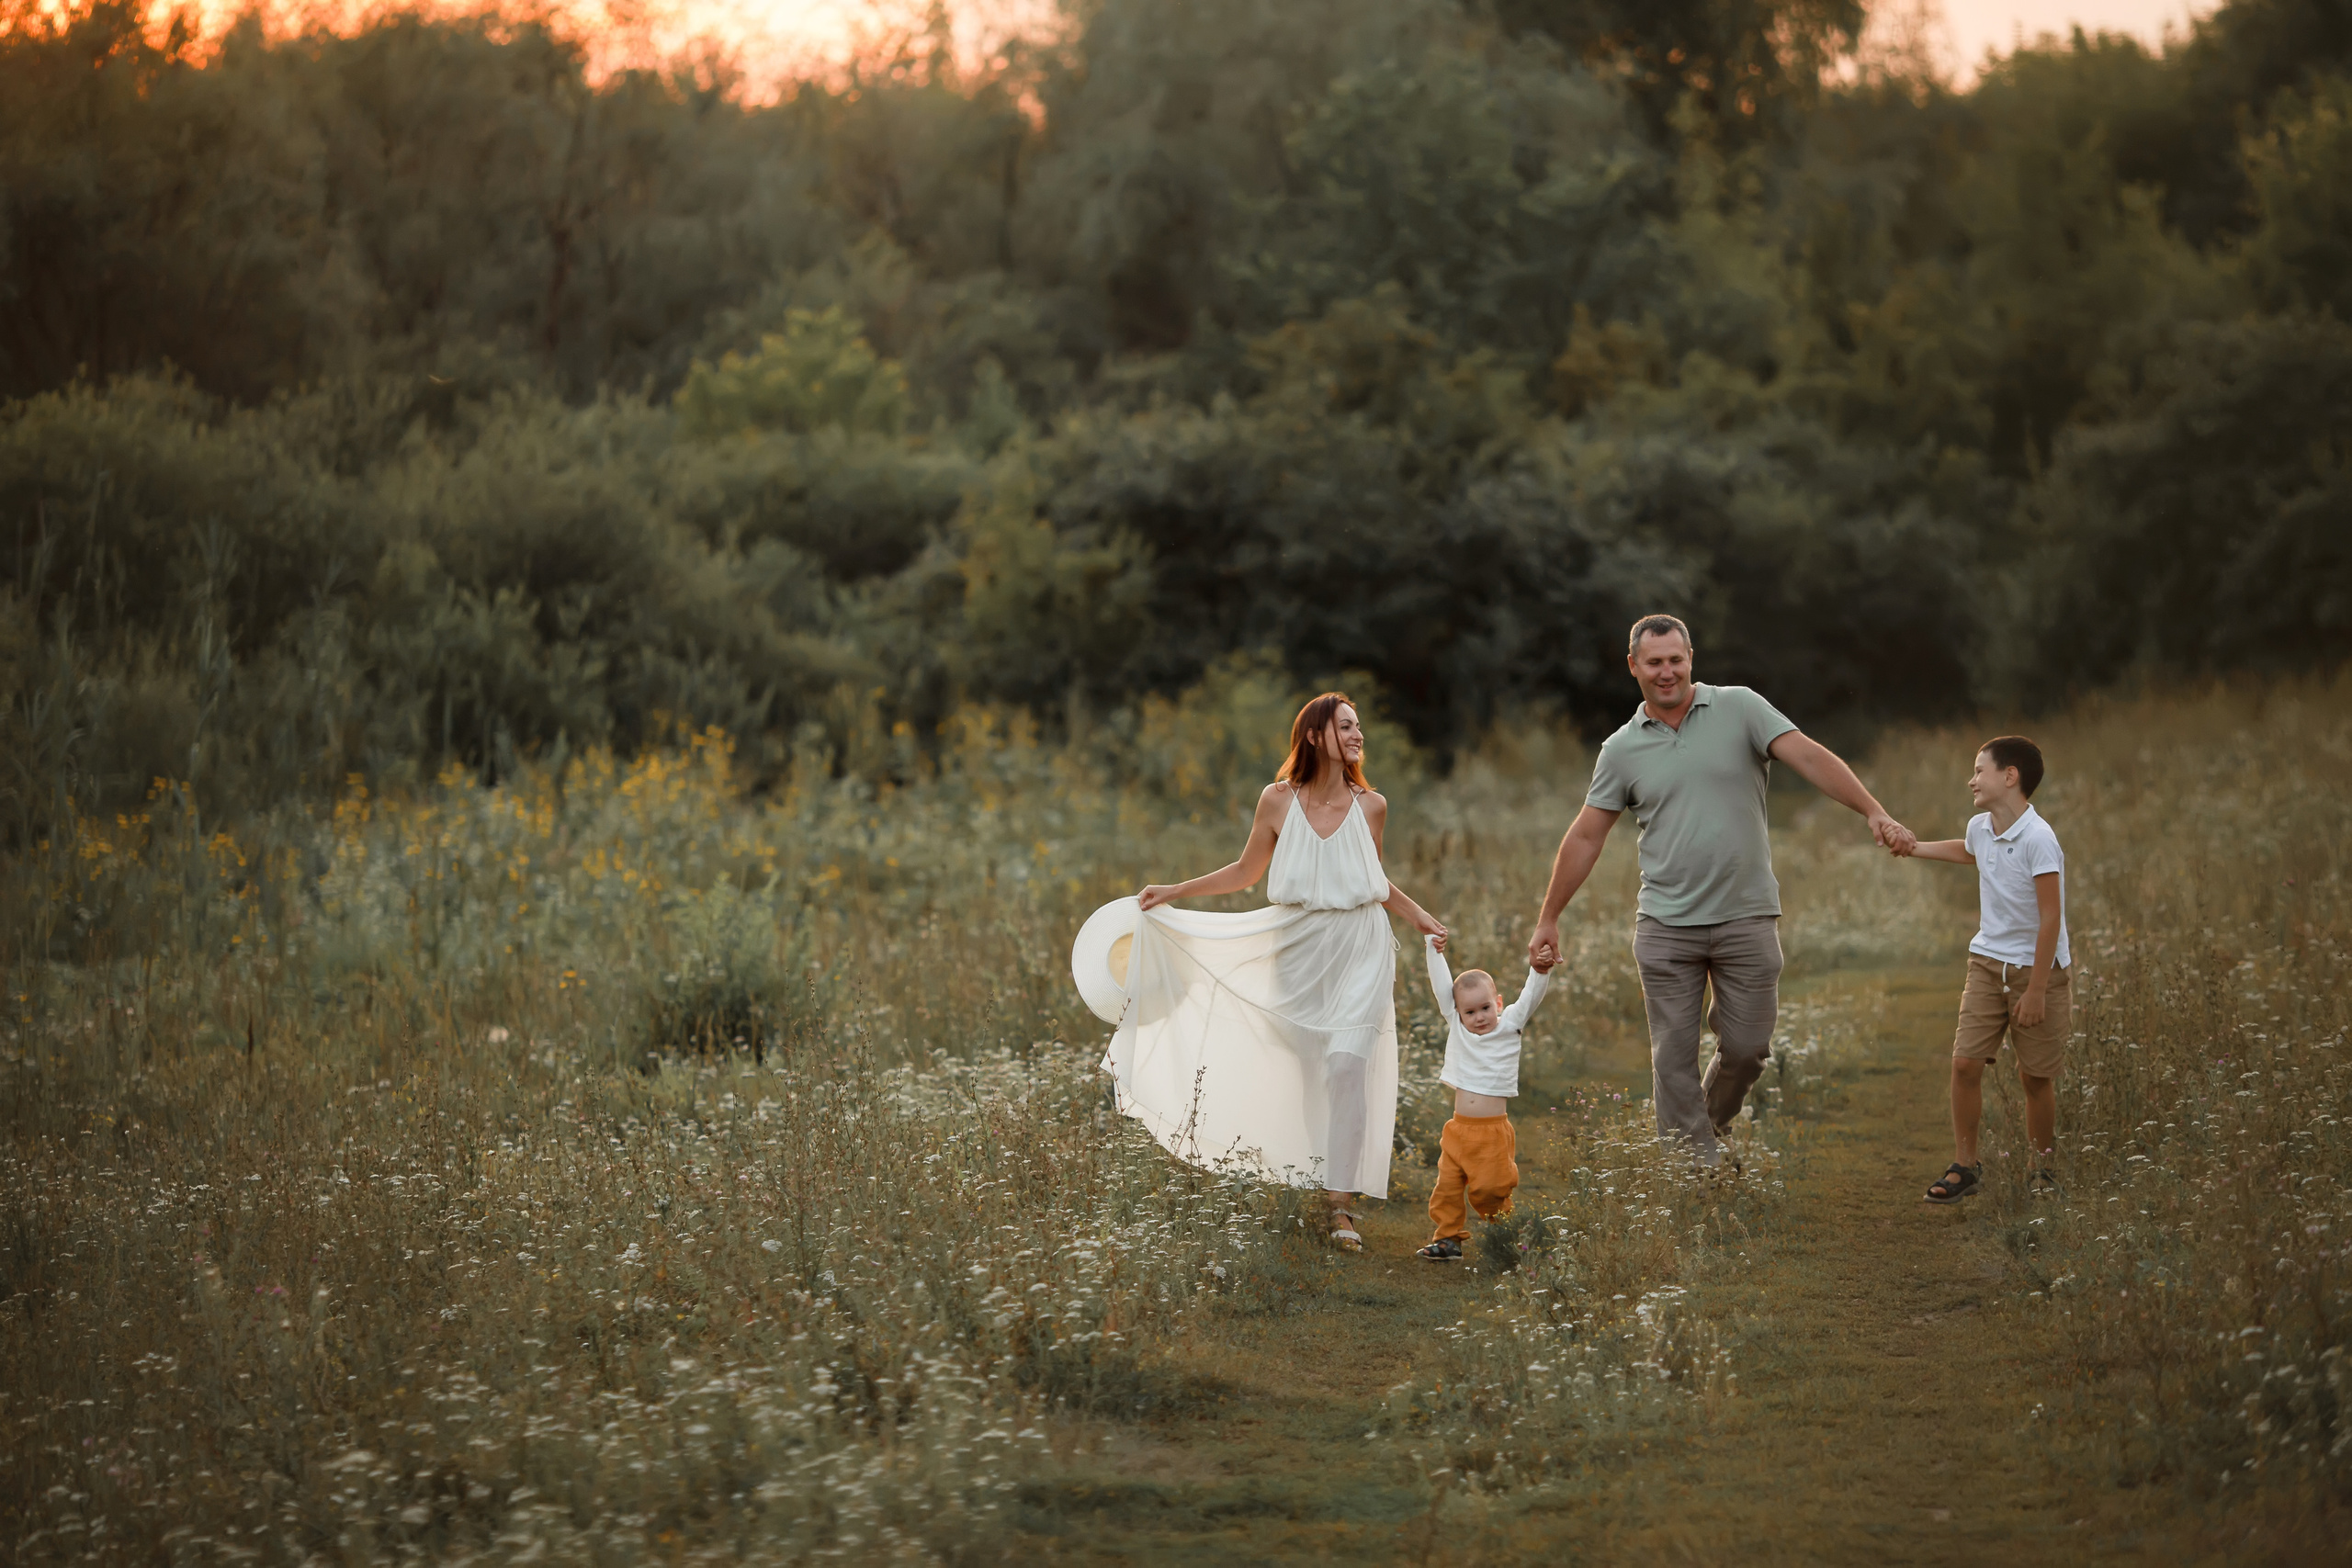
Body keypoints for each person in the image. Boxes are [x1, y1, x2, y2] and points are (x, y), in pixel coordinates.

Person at [1526, 614, 1916, 1167]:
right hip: (1664, 925)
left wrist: (1873, 811)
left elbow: (1808, 756)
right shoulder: (1620, 749)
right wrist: (1549, 917)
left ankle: (1704, 1128)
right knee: (1673, 1057)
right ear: (1633, 666)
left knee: (1749, 1048)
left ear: (1691, 658)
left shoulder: (1741, 707)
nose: (1667, 672)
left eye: (1676, 659)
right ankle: (1695, 1167)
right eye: (1654, 662)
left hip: (1746, 916)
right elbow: (1587, 835)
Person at [1106, 693, 1447, 1250]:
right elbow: (1245, 871)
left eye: (1359, 726)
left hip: (1360, 946)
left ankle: (1340, 1207)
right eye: (1346, 726)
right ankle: (1307, 1176)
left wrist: (1419, 917)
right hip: (1298, 947)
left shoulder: (1372, 806)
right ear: (1314, 735)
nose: (1358, 735)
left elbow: (1374, 880)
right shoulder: (1277, 801)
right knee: (1307, 1067)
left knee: (1344, 1067)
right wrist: (1176, 890)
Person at [1890, 736, 2069, 1203]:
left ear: (2010, 776)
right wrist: (1914, 848)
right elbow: (1968, 851)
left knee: (2035, 1077)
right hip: (1987, 964)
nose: (1972, 779)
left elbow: (2051, 916)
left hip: (2037, 970)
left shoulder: (2039, 838)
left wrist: (2037, 991)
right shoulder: (1980, 826)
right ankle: (1966, 1167)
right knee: (1965, 1064)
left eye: (1979, 770)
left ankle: (2042, 1170)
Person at [1414, 939, 1555, 1262]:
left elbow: (1531, 995)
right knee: (1447, 1188)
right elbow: (1441, 988)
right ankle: (1448, 1240)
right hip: (1457, 1130)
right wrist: (1432, 949)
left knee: (1490, 1191)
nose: (1479, 1017)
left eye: (1485, 1008)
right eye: (1470, 1011)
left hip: (1492, 1133)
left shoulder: (1510, 1026)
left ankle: (1508, 1238)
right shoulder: (1458, 1029)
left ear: (1499, 1003)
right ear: (1458, 1013)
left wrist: (1540, 968)